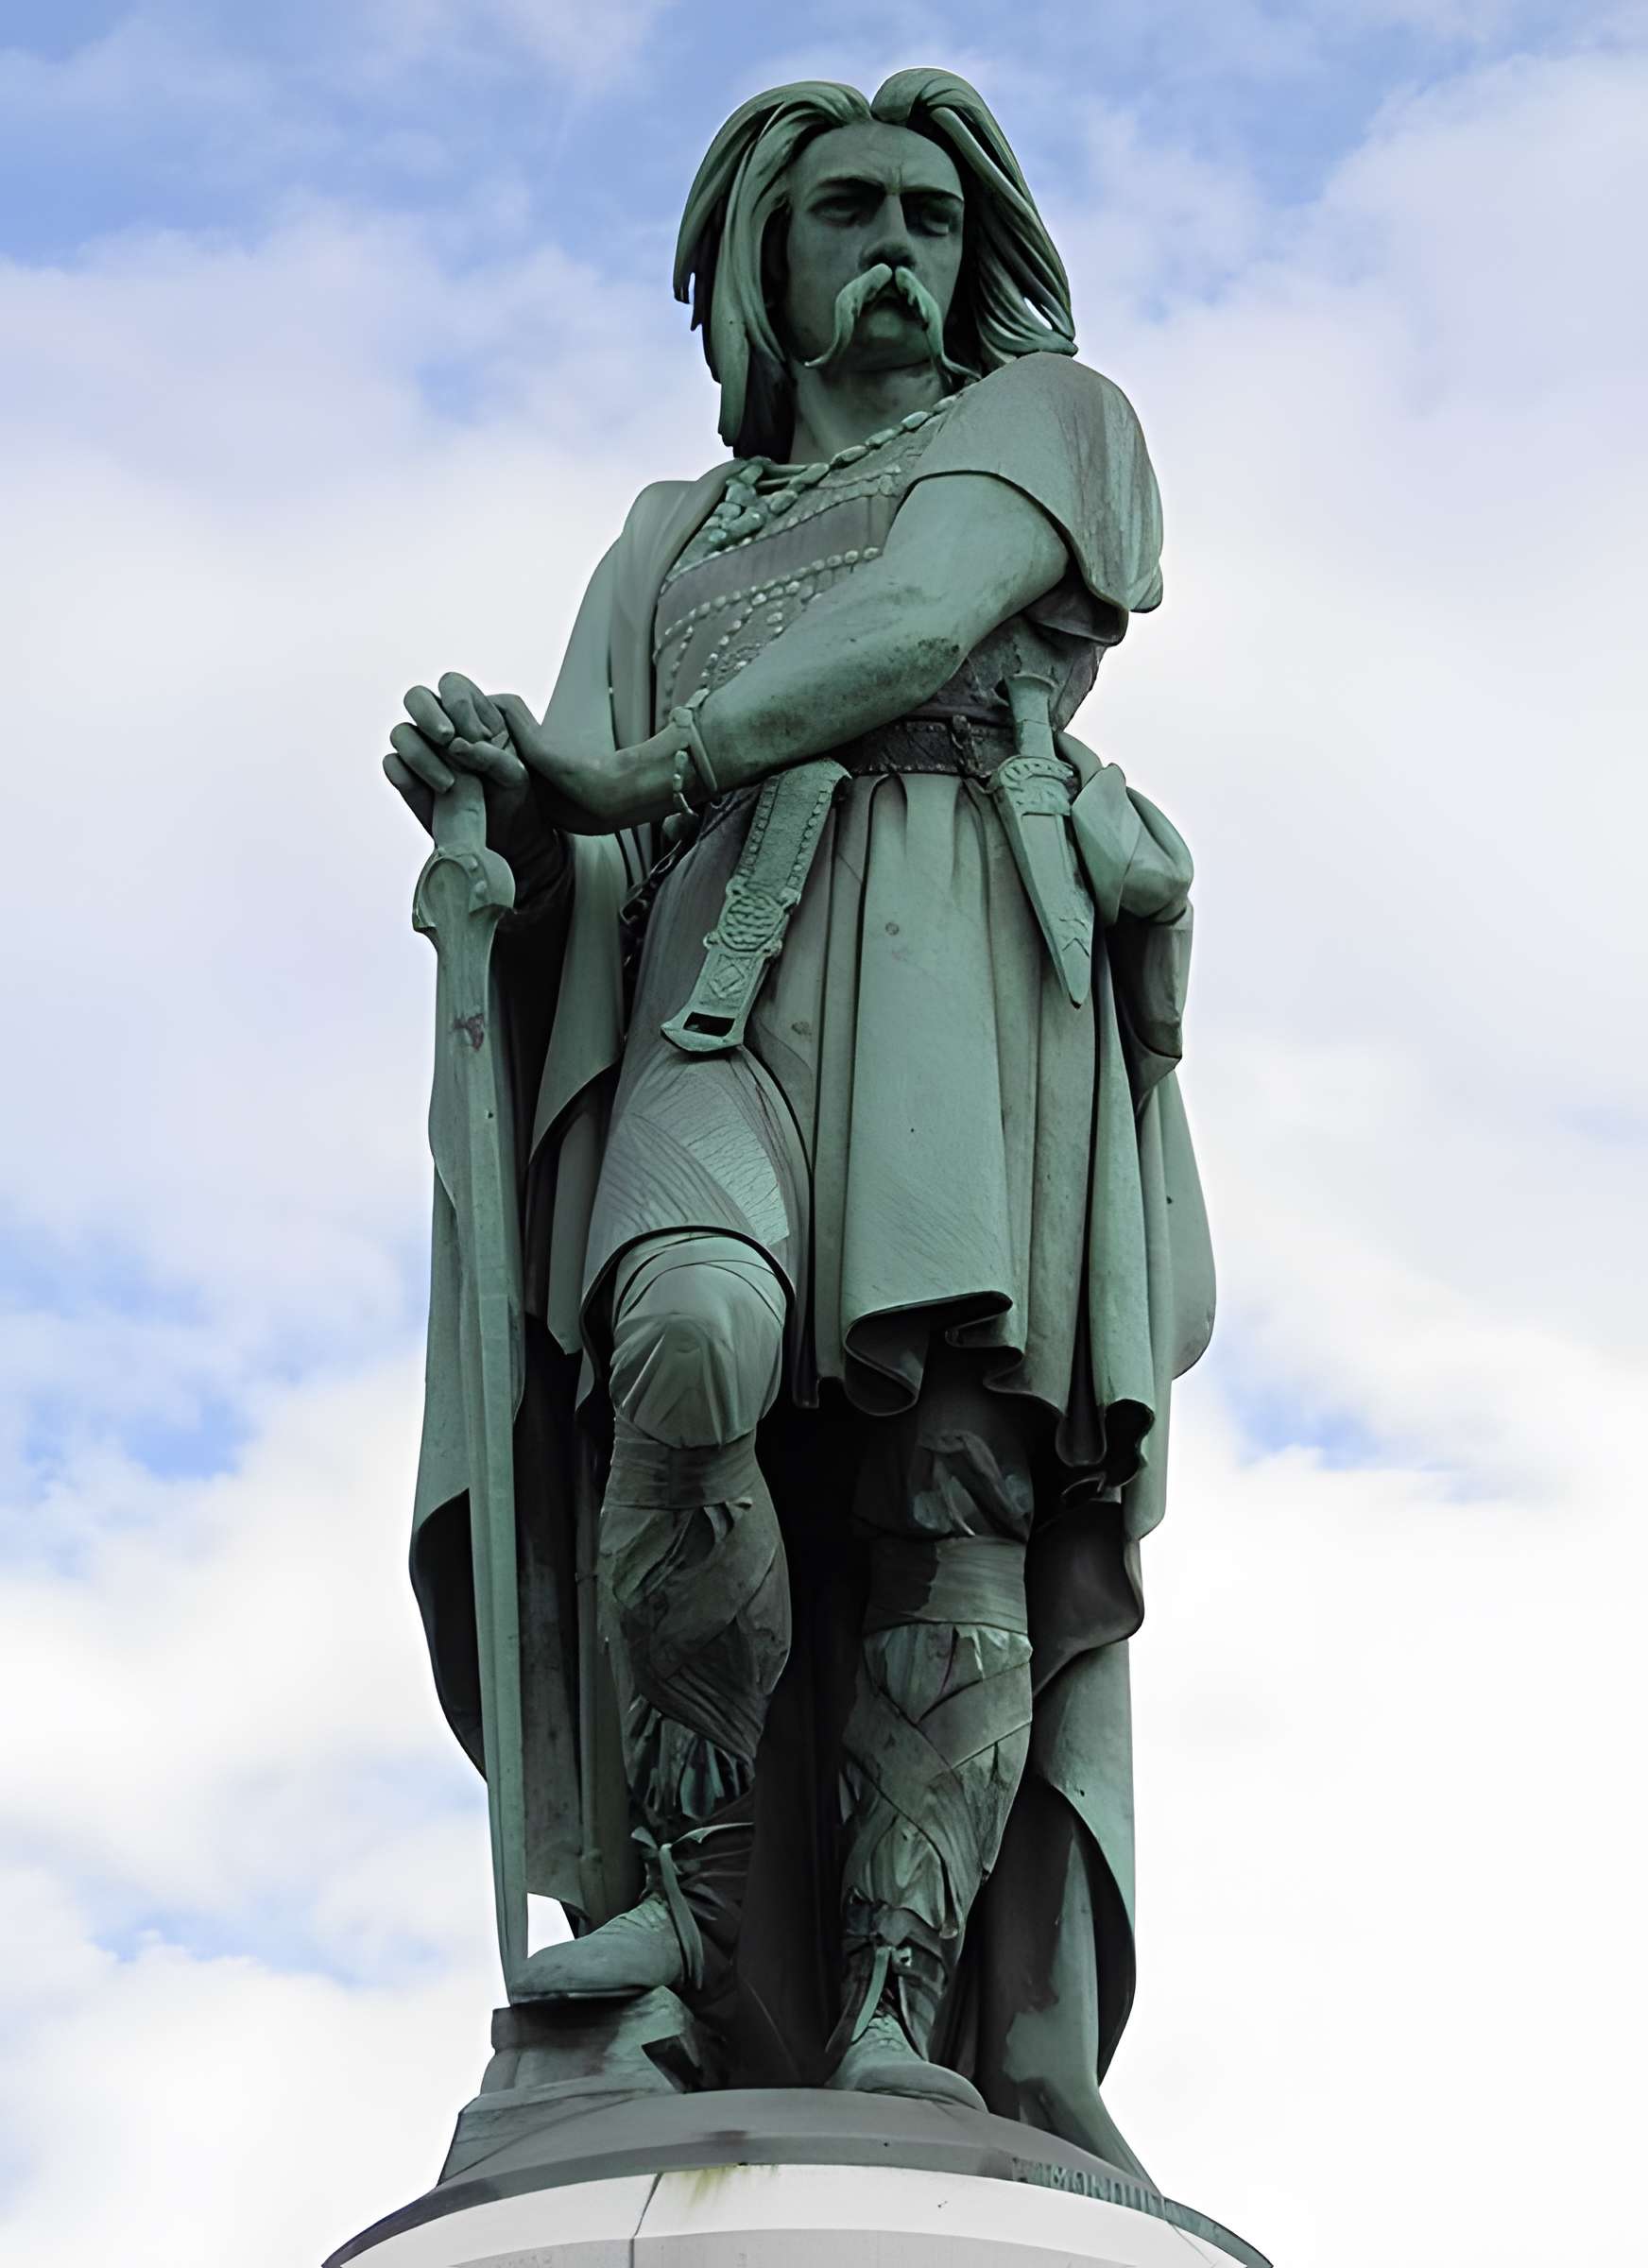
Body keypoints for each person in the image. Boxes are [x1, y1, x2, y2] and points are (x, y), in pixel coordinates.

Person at [386, 71, 1211, 2164]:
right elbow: (569, 819)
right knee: (674, 1335)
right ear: (765, 261)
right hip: (697, 996)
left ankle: (895, 2008)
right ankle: (693, 1901)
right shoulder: (664, 536)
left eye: (930, 218)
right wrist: (492, 803)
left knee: (949, 1485)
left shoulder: (1047, 426)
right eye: (847, 212)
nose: (896, 252)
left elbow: (914, 627)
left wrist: (625, 777)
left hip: (948, 957)